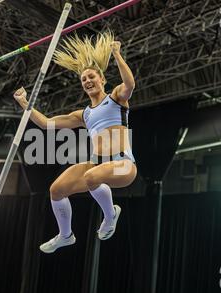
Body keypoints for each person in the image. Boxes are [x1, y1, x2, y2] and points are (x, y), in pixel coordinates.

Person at [13, 31, 137, 253]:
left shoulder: (116, 98)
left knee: (91, 177)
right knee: (56, 190)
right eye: (83, 79)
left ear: (102, 80)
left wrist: (117, 54)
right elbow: (47, 124)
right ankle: (65, 235)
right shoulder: (84, 114)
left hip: (123, 166)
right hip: (96, 164)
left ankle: (110, 216)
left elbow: (130, 83)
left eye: (91, 77)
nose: (88, 81)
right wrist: (25, 104)